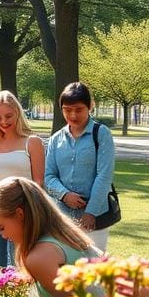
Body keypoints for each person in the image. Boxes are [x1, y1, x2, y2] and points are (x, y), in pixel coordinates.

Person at [0, 176, 100, 297]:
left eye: (1, 228)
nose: (3, 235)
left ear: (20, 215)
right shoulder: (62, 236)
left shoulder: (39, 257)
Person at [44, 82, 115, 251]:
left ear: (90, 106)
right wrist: (65, 194)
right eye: (67, 110)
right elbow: (49, 176)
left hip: (95, 215)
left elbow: (104, 175)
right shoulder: (55, 139)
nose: (73, 115)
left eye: (78, 109)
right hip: (62, 215)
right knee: (65, 267)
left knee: (94, 267)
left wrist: (91, 212)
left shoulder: (101, 134)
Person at [0, 91, 45, 268]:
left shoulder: (32, 142)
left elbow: (38, 183)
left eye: (8, 116)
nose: (3, 122)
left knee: (19, 266)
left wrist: (26, 211)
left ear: (18, 112)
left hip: (21, 213)